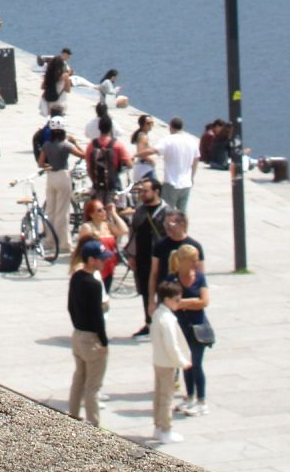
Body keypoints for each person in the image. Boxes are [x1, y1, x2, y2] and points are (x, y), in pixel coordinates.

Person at [66, 239, 110, 426]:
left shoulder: (76, 277)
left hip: (77, 334)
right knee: (93, 386)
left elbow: (70, 306)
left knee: (79, 378)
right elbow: (97, 315)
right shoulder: (93, 283)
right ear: (91, 260)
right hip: (91, 338)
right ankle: (94, 423)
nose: (103, 261)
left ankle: (73, 416)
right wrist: (104, 341)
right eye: (100, 258)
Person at [167, 243, 212, 416]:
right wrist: (193, 302)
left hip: (199, 328)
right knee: (186, 364)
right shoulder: (172, 279)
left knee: (197, 364)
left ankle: (202, 400)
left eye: (196, 260)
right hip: (181, 328)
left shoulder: (199, 277)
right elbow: (171, 303)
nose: (196, 264)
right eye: (192, 261)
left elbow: (204, 302)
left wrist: (183, 303)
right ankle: (190, 396)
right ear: (183, 261)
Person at [150, 281, 192, 444]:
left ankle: (158, 426)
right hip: (167, 362)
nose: (178, 303)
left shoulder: (158, 315)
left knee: (159, 395)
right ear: (167, 299)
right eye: (177, 300)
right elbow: (171, 345)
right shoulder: (166, 319)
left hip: (158, 360)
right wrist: (182, 362)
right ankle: (166, 429)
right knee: (167, 397)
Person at [128, 176, 168, 336]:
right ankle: (149, 322)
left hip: (160, 258)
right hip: (142, 258)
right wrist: (131, 255)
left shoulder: (167, 211)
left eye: (145, 191)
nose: (142, 194)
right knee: (145, 291)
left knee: (163, 291)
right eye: (141, 192)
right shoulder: (140, 210)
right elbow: (133, 233)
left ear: (156, 191)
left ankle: (164, 325)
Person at [36, 116, 82, 255]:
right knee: (63, 211)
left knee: (50, 209)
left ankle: (49, 240)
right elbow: (84, 155)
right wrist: (76, 142)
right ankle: (63, 243)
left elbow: (40, 163)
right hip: (63, 175)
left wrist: (49, 165)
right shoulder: (66, 145)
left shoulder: (47, 145)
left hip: (51, 176)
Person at [73, 197, 128, 290]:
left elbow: (124, 230)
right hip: (94, 268)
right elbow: (80, 249)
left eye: (104, 209)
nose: (103, 212)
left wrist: (114, 213)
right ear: (92, 214)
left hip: (109, 267)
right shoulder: (87, 227)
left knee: (105, 296)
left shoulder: (107, 225)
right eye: (99, 210)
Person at [84, 118, 130, 206]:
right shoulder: (117, 145)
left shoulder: (91, 145)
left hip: (97, 187)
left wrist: (94, 181)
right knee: (115, 210)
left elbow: (89, 167)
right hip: (112, 187)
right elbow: (129, 164)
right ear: (111, 128)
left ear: (99, 128)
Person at [157, 117, 200, 213]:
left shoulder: (168, 139)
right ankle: (183, 228)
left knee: (167, 212)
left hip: (171, 182)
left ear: (170, 127)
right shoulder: (192, 140)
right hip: (186, 184)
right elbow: (196, 158)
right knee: (182, 214)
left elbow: (156, 150)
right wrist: (192, 177)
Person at [40, 48, 72, 117]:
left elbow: (42, 87)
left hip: (50, 103)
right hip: (60, 103)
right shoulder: (65, 76)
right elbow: (68, 90)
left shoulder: (48, 76)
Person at [131, 115, 160, 183]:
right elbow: (141, 152)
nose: (150, 125)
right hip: (145, 169)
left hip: (141, 168)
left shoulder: (141, 134)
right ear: (142, 125)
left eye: (151, 123)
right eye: (148, 123)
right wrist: (151, 160)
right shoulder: (143, 137)